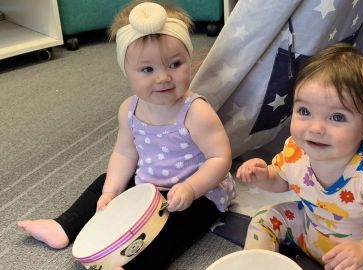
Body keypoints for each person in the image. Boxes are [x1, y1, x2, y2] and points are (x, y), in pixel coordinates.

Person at [17, 1, 236, 269]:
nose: (164, 78)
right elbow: (124, 153)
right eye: (147, 69)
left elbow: (220, 157)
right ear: (127, 73)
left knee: (171, 232)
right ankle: (63, 226)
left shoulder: (196, 112)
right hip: (149, 183)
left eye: (175, 64)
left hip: (198, 193)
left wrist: (192, 188)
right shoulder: (129, 109)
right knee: (103, 183)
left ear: (189, 61)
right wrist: (111, 192)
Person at [236, 43, 363, 270]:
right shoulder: (295, 149)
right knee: (264, 217)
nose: (316, 128)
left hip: (358, 251)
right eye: (305, 112)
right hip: (309, 228)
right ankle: (258, 264)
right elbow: (281, 180)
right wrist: (261, 175)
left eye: (337, 117)